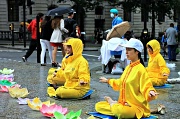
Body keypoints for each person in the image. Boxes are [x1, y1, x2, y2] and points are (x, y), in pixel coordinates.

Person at [95, 38, 158, 119]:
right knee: (98, 106)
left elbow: (146, 85)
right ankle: (115, 105)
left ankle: (112, 103)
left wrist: (150, 91)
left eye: (129, 50)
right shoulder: (128, 67)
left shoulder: (141, 69)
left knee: (121, 112)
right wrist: (108, 80)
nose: (126, 52)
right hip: (123, 104)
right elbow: (121, 83)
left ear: (137, 51)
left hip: (136, 107)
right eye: (126, 49)